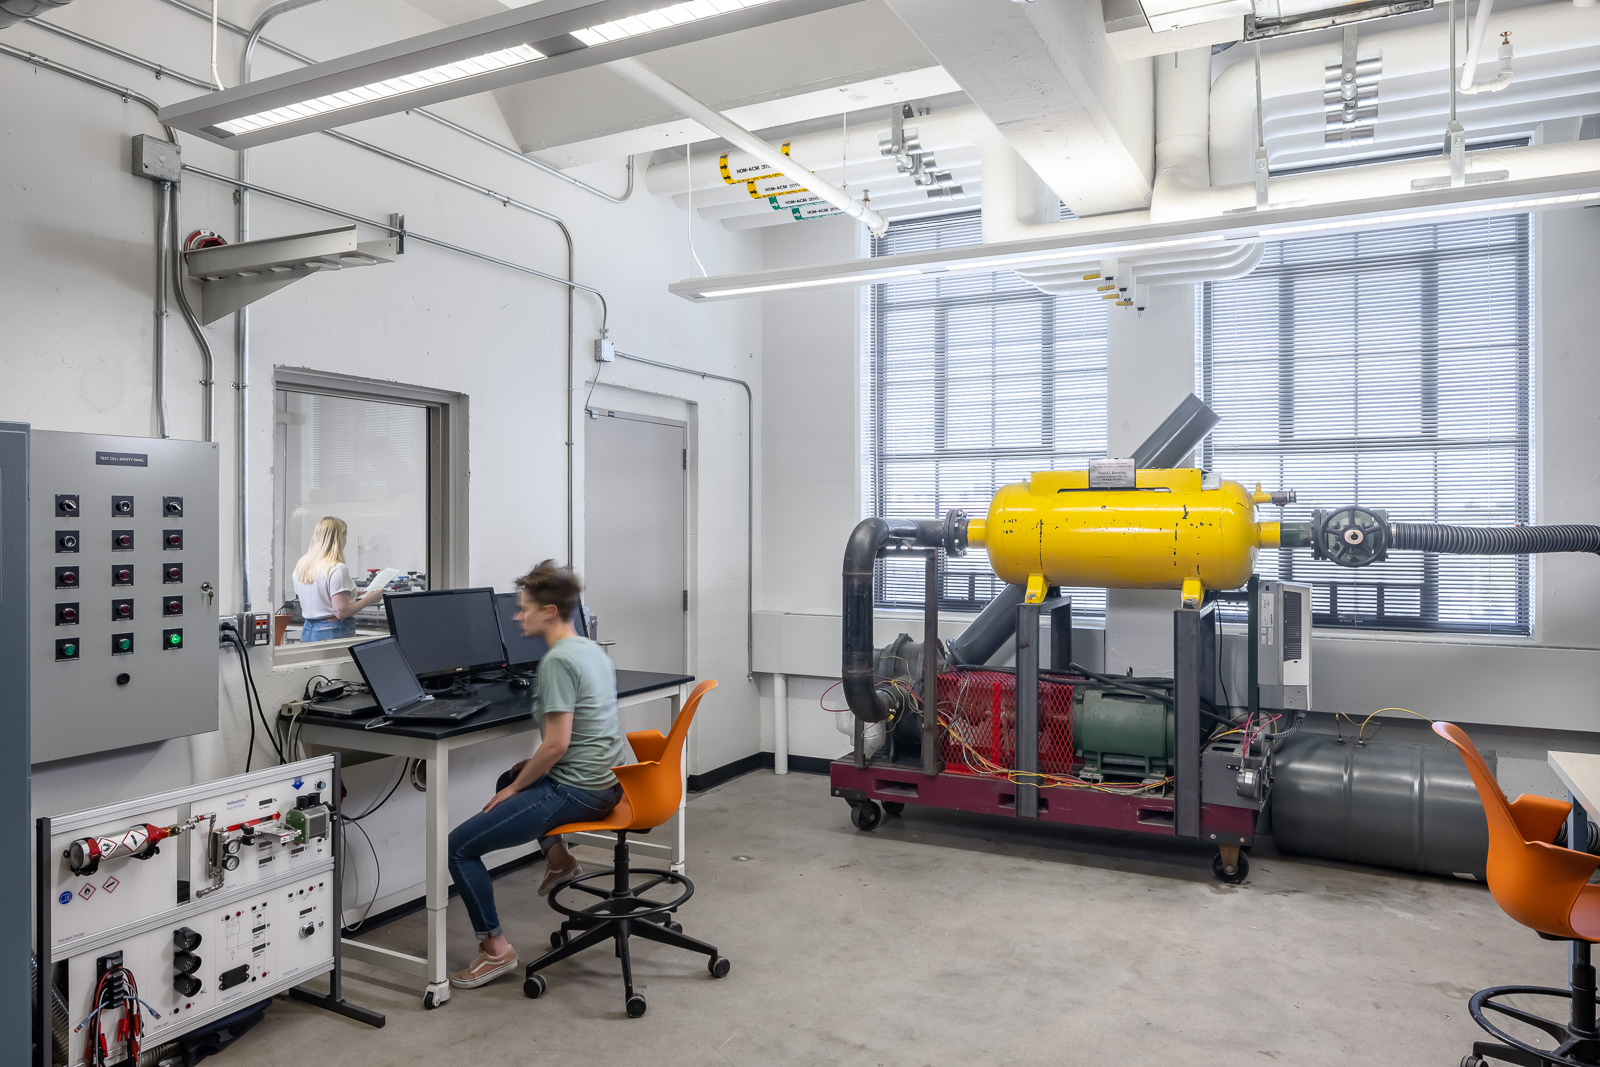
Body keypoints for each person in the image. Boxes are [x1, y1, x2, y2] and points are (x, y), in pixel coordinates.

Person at [446, 560, 625, 990]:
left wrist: (518, 787)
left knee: (458, 848)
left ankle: (495, 949)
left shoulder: (557, 662)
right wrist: (519, 777)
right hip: (610, 781)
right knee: (506, 777)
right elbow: (583, 732)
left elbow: (557, 744)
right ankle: (560, 861)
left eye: (524, 608)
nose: (517, 616)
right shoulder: (590, 650)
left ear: (549, 612)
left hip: (579, 789)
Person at [291, 516, 385, 643]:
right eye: (345, 535)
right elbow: (341, 612)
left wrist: (351, 596)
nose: (346, 540)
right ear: (339, 538)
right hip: (332, 631)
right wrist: (369, 599)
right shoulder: (337, 568)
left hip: (308, 630)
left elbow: (318, 598)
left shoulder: (301, 566)